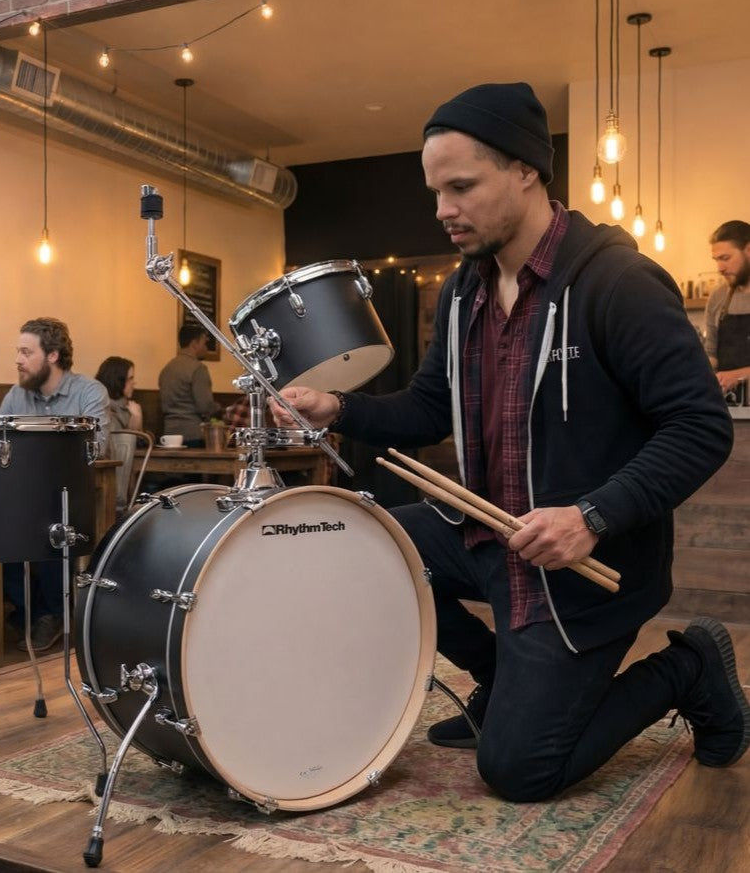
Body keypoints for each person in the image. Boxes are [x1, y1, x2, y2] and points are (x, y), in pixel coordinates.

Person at [272, 82, 747, 802]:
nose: (442, 211)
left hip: (586, 568)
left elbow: (700, 425)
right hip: (490, 539)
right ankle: (503, 678)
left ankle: (687, 666)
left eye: (461, 187)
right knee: (362, 541)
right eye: (435, 191)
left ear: (526, 170)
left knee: (518, 770)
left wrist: (592, 516)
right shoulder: (463, 293)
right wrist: (334, 407)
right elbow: (429, 409)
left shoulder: (615, 282)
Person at [0, 317, 110, 651]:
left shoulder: (89, 392)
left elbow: (96, 445)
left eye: (25, 352)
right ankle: (36, 612)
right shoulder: (16, 395)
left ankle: (48, 614)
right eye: (18, 351)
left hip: (74, 496)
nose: (17, 359)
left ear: (53, 355)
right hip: (23, 496)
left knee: (50, 521)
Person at [95, 356, 145, 513]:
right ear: (117, 380)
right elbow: (119, 442)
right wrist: (136, 419)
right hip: (113, 487)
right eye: (130, 379)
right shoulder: (104, 409)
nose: (134, 383)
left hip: (123, 481)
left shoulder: (128, 408)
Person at [705, 220, 750, 394]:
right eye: (716, 260)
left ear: (748, 250)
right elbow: (711, 353)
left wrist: (739, 375)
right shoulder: (718, 296)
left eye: (725, 258)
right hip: (729, 407)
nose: (720, 268)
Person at [158, 325, 221, 447]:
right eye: (204, 343)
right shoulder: (198, 368)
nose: (206, 348)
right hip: (193, 434)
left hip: (169, 434)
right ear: (194, 343)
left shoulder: (166, 369)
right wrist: (219, 409)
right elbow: (204, 406)